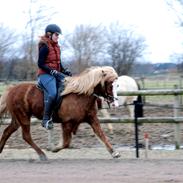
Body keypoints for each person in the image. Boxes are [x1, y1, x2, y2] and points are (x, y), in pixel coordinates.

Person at [37, 24, 72, 130]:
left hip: (55, 73)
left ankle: (58, 113)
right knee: (52, 93)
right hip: (45, 74)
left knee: (66, 88)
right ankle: (46, 119)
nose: (58, 37)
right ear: (49, 34)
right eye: (56, 34)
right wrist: (52, 71)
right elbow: (40, 63)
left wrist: (64, 70)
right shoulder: (44, 46)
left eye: (58, 35)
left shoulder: (57, 46)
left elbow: (58, 62)